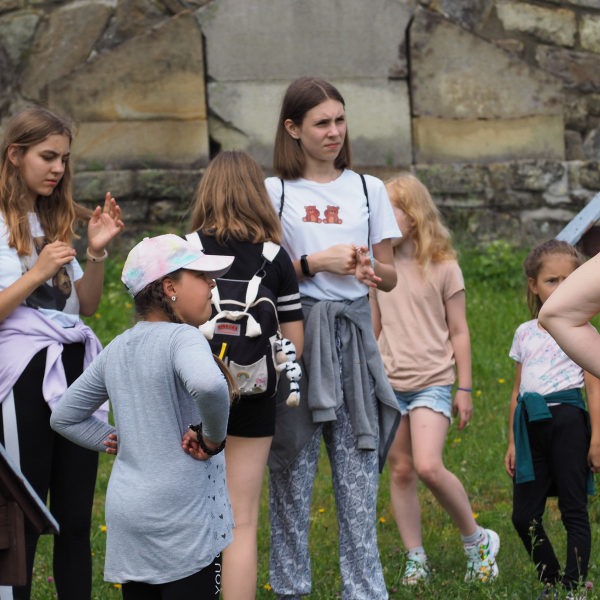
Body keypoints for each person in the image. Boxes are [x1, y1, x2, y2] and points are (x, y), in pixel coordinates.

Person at [264, 76, 402, 600]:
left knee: (358, 481)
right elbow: (263, 274)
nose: (334, 132)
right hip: (296, 338)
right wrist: (314, 263)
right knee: (291, 478)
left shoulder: (368, 188)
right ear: (293, 128)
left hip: (354, 340)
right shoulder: (275, 192)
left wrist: (371, 271)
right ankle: (290, 590)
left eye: (340, 120)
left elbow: (391, 274)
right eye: (321, 122)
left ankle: (364, 592)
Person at [50, 234, 238, 599]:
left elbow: (64, 416)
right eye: (201, 276)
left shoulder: (117, 347)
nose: (212, 284)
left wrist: (113, 438)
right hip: (183, 521)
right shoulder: (183, 338)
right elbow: (209, 386)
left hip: (130, 519)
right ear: (170, 287)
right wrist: (212, 439)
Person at [0, 107, 124, 600]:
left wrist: (95, 253)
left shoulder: (53, 219)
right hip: (22, 378)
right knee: (24, 516)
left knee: (74, 519)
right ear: (15, 154)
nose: (57, 168)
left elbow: (85, 306)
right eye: (47, 157)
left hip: (74, 371)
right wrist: (36, 272)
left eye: (64, 159)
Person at [370, 173, 499, 585]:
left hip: (433, 381)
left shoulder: (444, 267)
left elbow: (459, 331)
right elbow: (373, 326)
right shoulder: (378, 268)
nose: (379, 219)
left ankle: (477, 542)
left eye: (389, 210)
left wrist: (465, 387)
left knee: (427, 466)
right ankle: (416, 557)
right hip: (390, 384)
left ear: (413, 216)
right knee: (401, 471)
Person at [188, 150, 304, 600]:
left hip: (190, 397)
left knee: (189, 515)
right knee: (241, 520)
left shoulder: (185, 249)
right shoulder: (276, 258)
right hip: (253, 398)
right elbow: (294, 343)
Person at [504, 239, 600, 598]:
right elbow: (517, 391)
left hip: (568, 422)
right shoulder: (524, 332)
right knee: (523, 515)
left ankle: (573, 588)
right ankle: (551, 579)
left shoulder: (583, 330)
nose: (560, 288)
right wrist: (513, 441)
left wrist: (596, 438)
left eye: (568, 280)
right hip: (530, 424)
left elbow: (594, 389)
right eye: (551, 281)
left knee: (573, 509)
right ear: (533, 285)